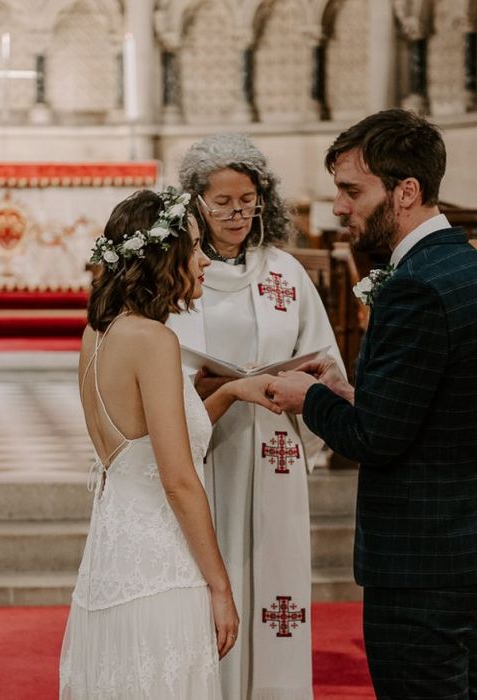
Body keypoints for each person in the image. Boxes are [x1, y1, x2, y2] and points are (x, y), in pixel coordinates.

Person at [269, 109, 477, 700]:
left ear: (406, 191)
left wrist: (311, 400)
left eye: (353, 190)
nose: (338, 207)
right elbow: (428, 411)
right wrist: (349, 390)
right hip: (461, 547)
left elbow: (377, 438)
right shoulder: (470, 268)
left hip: (419, 564)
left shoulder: (415, 286)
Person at [59, 188, 280, 699]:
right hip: (161, 571)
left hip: (110, 568)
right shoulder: (155, 341)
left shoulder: (100, 331)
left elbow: (147, 445)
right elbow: (179, 480)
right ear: (163, 254)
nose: (205, 260)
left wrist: (228, 391)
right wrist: (221, 588)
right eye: (196, 247)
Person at [167, 133, 344, 700]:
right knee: (209, 586)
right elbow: (157, 363)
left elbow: (325, 359)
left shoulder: (285, 272)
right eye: (222, 202)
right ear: (194, 202)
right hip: (206, 444)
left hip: (274, 446)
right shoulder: (177, 275)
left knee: (273, 583)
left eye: (248, 199)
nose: (238, 213)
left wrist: (312, 387)